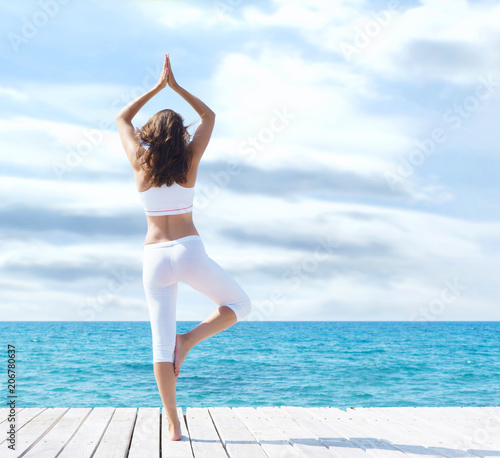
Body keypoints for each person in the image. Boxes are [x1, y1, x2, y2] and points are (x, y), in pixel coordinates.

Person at [115, 54, 252, 441]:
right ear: (181, 137)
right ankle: (188, 341)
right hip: (189, 251)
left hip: (154, 256)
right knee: (240, 306)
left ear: (151, 135)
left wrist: (157, 87)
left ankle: (173, 425)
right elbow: (209, 117)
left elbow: (122, 119)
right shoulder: (190, 160)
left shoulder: (140, 164)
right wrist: (177, 88)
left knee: (160, 343)